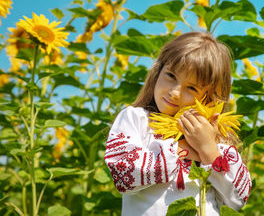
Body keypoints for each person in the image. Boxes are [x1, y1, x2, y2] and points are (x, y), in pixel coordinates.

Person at [104, 32, 251, 215]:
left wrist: (208, 149)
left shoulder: (216, 137)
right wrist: (184, 149)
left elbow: (239, 198)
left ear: (211, 98)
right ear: (158, 71)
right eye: (171, 76)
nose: (174, 92)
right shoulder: (137, 119)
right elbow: (123, 174)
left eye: (191, 88)